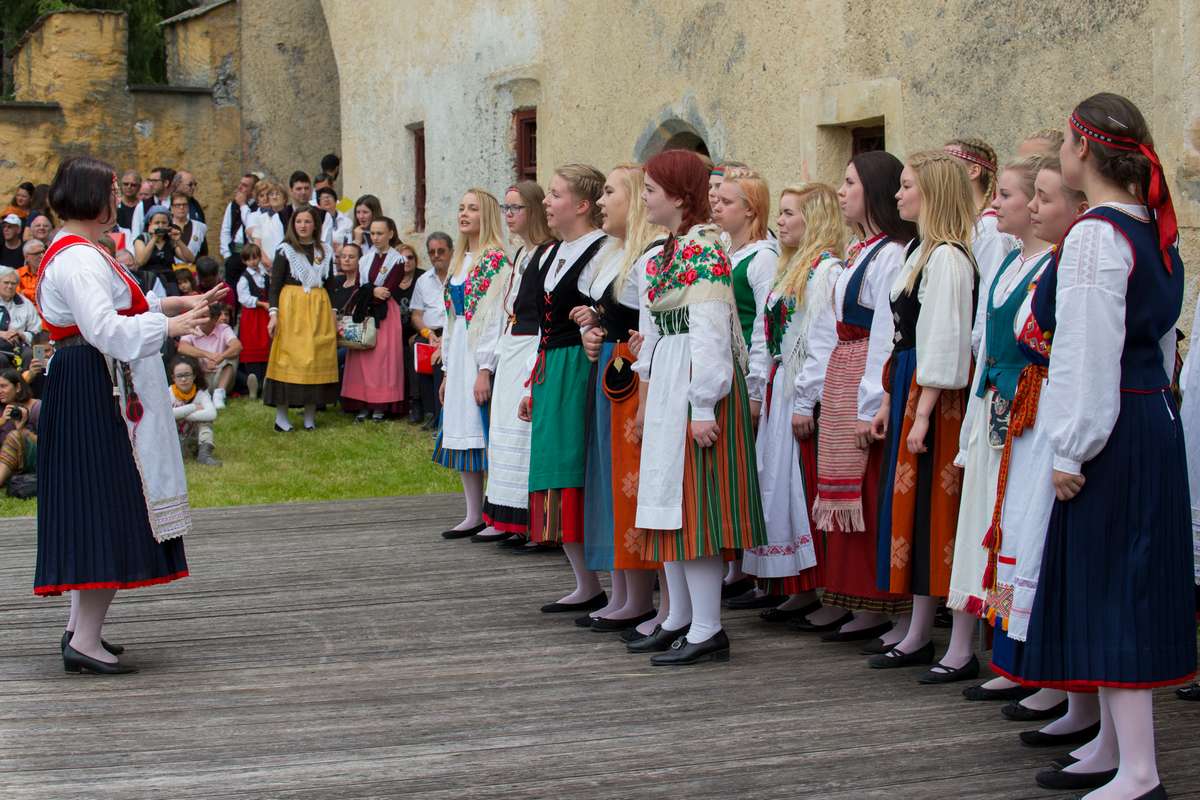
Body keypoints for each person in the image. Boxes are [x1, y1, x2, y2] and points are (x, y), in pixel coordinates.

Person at [1012, 94, 1194, 799]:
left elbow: (1088, 353)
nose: (1059, 152)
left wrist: (1070, 449)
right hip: (1150, 418)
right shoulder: (1151, 229)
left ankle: (1141, 771)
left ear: (1083, 152)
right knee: (1118, 578)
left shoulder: (1095, 234)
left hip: (1112, 427)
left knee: (1117, 586)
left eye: (1063, 141)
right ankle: (1112, 748)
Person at [35, 155, 220, 675]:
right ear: (92, 197)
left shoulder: (82, 252)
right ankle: (84, 639)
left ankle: (81, 632)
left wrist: (175, 304)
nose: (119, 200)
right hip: (94, 389)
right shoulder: (77, 259)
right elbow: (105, 330)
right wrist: (174, 330)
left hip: (92, 383)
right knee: (109, 504)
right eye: (113, 192)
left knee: (98, 502)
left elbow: (120, 312)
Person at [967, 157, 1093, 735]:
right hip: (1016, 406)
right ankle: (1025, 667)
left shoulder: (1065, 265)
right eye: (1030, 197)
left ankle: (1052, 681)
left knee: (1036, 538)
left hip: (1043, 412)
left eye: (1039, 197)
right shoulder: (1022, 262)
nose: (1031, 207)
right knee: (1015, 531)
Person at [628, 148, 766, 665]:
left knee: (697, 507)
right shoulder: (666, 252)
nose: (644, 199)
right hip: (670, 377)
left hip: (695, 383)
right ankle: (680, 617)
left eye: (650, 191)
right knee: (670, 501)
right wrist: (646, 393)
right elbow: (651, 328)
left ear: (680, 198)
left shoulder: (704, 251)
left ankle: (708, 627)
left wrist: (703, 404)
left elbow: (709, 330)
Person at [794, 152, 916, 646]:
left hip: (866, 369)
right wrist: (811, 392)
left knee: (869, 490)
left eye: (849, 183)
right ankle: (857, 599)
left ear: (874, 189)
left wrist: (873, 398)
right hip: (845, 370)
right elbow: (824, 327)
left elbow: (888, 332)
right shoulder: (859, 252)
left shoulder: (891, 253)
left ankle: (885, 604)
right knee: (846, 488)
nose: (841, 192)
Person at [868, 150, 976, 681]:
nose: (897, 195)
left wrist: (925, 412)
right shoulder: (923, 253)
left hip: (940, 397)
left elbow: (945, 344)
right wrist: (893, 397)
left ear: (932, 193)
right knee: (917, 513)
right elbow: (904, 335)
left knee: (942, 515)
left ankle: (959, 644)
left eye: (908, 186)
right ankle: (917, 629)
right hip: (914, 387)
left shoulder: (950, 259)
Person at [945, 156, 1053, 670]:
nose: (996, 203)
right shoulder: (1008, 260)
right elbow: (985, 340)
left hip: (1025, 412)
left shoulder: (1048, 265)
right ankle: (988, 647)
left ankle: (1015, 652)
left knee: (1010, 531)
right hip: (992, 406)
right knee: (982, 527)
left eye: (1006, 195)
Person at [742, 184, 845, 620]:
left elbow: (823, 339)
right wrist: (758, 385)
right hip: (779, 387)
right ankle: (798, 586)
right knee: (779, 486)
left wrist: (806, 399)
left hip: (801, 390)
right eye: (781, 214)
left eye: (789, 213)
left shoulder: (825, 271)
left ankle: (821, 587)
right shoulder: (789, 268)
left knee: (803, 486)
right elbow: (764, 336)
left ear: (814, 218)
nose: (780, 221)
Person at [515, 164, 611, 610]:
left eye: (555, 195)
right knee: (553, 468)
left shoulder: (602, 251)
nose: (547, 203)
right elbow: (544, 327)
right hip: (553, 368)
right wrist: (533, 382)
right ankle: (586, 582)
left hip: (583, 366)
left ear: (582, 204)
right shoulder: (553, 253)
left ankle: (623, 579)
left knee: (583, 466)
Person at [576, 164, 665, 631]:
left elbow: (644, 324)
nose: (602, 201)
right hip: (614, 367)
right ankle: (625, 590)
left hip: (633, 374)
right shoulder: (615, 254)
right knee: (611, 476)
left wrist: (608, 337)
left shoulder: (646, 256)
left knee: (629, 475)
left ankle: (641, 594)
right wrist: (594, 333)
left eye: (611, 192)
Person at [710, 167, 777, 598]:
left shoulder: (763, 257)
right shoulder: (722, 252)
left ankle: (747, 567)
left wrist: (755, 388)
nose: (716, 204)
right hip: (720, 370)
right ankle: (732, 564)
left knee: (744, 470)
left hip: (744, 371)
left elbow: (763, 327)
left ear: (750, 210)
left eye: (727, 201)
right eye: (716, 199)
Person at [481, 182, 556, 548]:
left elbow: (544, 311)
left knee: (525, 436)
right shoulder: (523, 253)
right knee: (506, 434)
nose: (509, 215)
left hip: (530, 344)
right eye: (505, 209)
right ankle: (508, 517)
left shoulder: (546, 253)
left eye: (516, 208)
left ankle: (535, 523)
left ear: (535, 210)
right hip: (512, 347)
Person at [433, 190, 509, 537]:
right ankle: (473, 511)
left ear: (487, 215)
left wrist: (485, 368)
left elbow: (494, 317)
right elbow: (451, 320)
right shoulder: (460, 260)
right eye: (461, 207)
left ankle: (497, 512)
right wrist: (447, 370)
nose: (464, 214)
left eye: (473, 208)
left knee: (485, 429)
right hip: (460, 351)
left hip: (480, 352)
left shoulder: (495, 260)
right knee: (462, 428)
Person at [263, 206, 339, 431]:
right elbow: (274, 286)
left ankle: (309, 416)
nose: (303, 226)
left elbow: (331, 284)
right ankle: (281, 417)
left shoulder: (324, 250)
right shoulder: (285, 250)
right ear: (293, 225)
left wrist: (334, 314)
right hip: (292, 307)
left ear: (315, 224)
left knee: (315, 357)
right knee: (289, 358)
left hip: (319, 307)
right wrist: (274, 314)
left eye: (307, 221)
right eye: (299, 222)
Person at [341, 216, 408, 421]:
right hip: (364, 311)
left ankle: (379, 405)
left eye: (380, 233)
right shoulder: (365, 259)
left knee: (382, 361)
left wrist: (369, 290)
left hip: (384, 314)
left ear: (390, 234)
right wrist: (371, 291)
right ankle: (362, 403)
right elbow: (358, 287)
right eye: (373, 233)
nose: (376, 237)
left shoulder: (396, 260)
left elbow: (388, 289)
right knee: (361, 359)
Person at [410, 232, 450, 429]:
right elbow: (416, 315)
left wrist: (442, 339)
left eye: (441, 251)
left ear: (451, 251)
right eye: (432, 252)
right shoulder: (423, 280)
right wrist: (428, 334)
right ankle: (429, 412)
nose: (436, 255)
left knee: (438, 362)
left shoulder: (459, 277)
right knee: (419, 354)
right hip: (430, 333)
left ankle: (442, 415)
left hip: (451, 333)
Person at [177, 303, 241, 409]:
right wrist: (208, 355)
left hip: (221, 378)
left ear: (215, 319)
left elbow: (237, 346)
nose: (199, 319)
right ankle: (203, 394)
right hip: (200, 378)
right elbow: (182, 347)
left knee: (233, 356)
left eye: (204, 316)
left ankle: (218, 395)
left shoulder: (224, 328)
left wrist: (220, 358)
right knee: (186, 357)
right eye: (199, 315)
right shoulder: (192, 328)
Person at [168, 355, 221, 466]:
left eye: (187, 375)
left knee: (206, 421)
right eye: (179, 376)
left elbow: (212, 414)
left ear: (194, 376)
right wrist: (192, 407)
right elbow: (167, 415)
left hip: (194, 438)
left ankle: (204, 455)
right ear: (173, 378)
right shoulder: (168, 393)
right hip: (173, 441)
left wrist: (181, 414)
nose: (183, 379)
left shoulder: (201, 393)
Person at [235, 242, 271, 399]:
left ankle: (265, 381)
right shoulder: (244, 278)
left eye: (255, 258)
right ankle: (254, 380)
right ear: (245, 261)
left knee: (266, 345)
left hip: (266, 316)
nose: (253, 262)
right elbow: (243, 298)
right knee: (253, 345)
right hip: (252, 316)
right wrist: (261, 303)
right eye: (250, 259)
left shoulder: (264, 275)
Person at [395, 243, 424, 421]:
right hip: (394, 334)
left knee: (411, 349)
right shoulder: (390, 280)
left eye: (410, 257)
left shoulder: (422, 278)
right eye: (402, 258)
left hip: (416, 332)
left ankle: (415, 402)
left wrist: (420, 331)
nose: (406, 261)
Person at [134, 206, 189, 293]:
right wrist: (154, 238)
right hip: (149, 282)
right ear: (150, 224)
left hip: (169, 283)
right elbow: (140, 261)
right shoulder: (142, 239)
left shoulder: (170, 241)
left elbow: (189, 259)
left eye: (164, 223)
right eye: (157, 222)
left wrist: (178, 240)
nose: (160, 225)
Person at [0, 368, 40, 490]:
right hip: (8, 460)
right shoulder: (2, 409)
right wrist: (2, 422)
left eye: (3, 386)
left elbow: (49, 443)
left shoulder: (36, 407)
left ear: (17, 387)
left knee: (14, 436)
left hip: (31, 458)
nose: (0, 391)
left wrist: (21, 430)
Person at [0, 266, 41, 367]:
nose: (10, 286)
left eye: (13, 283)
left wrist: (21, 335)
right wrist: (2, 334)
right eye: (6, 282)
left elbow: (37, 331)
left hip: (19, 345)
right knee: (2, 359)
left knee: (33, 355)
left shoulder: (25, 304)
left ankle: (25, 382)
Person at [219, 173, 259, 275]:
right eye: (240, 184)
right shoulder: (232, 205)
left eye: (245, 186)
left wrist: (242, 205)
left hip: (252, 255)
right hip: (235, 252)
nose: (240, 188)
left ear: (253, 190)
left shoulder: (258, 207)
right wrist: (227, 255)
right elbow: (225, 230)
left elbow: (250, 225)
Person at [244, 181, 288, 269]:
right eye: (272, 194)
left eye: (277, 194)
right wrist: (266, 261)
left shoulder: (289, 215)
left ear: (284, 199)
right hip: (267, 264)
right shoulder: (260, 218)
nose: (273, 197)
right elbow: (255, 239)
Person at [130, 166, 173, 239]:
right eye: (150, 180)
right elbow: (136, 234)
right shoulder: (142, 205)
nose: (150, 184)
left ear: (166, 183)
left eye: (154, 181)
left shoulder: (176, 204)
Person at [168, 192, 205, 264]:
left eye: (184, 205)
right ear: (172, 208)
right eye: (178, 205)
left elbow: (203, 251)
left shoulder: (200, 227)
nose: (181, 207)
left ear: (188, 207)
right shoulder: (167, 226)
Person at [351, 194, 384, 261]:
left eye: (365, 212)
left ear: (374, 213)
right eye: (358, 212)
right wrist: (357, 242)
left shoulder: (386, 234)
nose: (361, 216)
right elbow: (350, 263)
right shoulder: (350, 235)